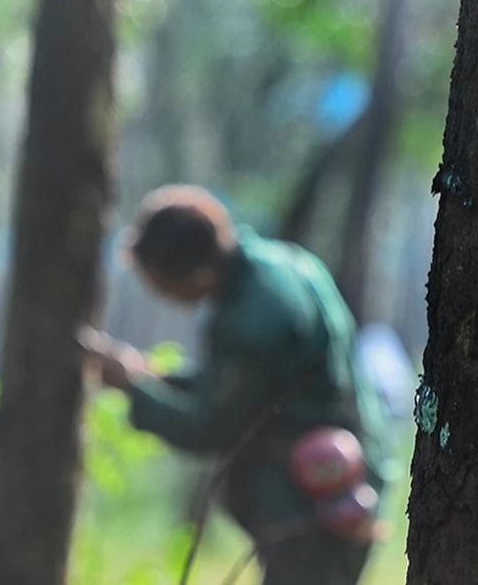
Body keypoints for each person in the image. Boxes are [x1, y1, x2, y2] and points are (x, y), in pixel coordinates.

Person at [83, 185, 392, 585]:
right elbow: (248, 387)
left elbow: (210, 427)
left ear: (198, 275)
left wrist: (131, 386)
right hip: (347, 477)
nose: (160, 295)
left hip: (313, 499)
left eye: (161, 284)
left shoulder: (251, 320)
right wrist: (155, 378)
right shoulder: (285, 265)